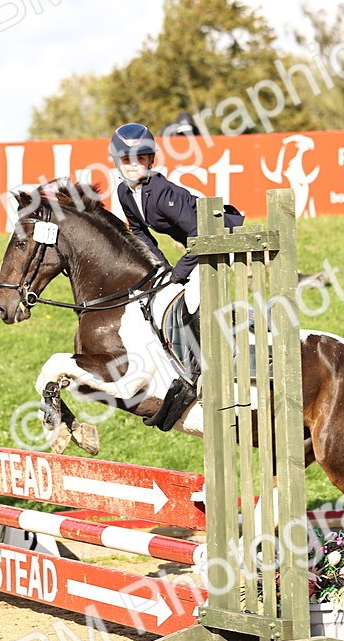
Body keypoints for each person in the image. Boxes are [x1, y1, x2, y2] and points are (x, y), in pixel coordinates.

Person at [110, 122, 245, 430]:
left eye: (140, 158)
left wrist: (178, 274)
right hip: (199, 246)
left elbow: (203, 233)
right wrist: (159, 271)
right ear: (118, 163)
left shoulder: (161, 192)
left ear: (150, 161)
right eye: (127, 160)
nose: (133, 165)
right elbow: (140, 235)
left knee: (192, 297)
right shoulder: (124, 192)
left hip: (222, 241)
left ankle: (200, 373)